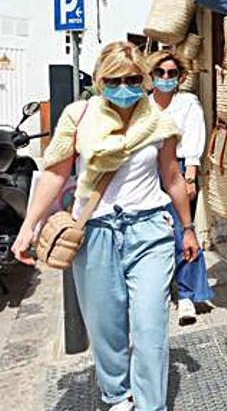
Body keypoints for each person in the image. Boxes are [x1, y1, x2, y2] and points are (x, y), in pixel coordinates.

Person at [11, 41, 198, 411]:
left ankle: (150, 405)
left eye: (132, 79)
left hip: (149, 231)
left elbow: (173, 178)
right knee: (105, 326)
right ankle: (117, 395)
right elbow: (54, 173)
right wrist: (28, 227)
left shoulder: (160, 124)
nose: (124, 87)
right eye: (114, 79)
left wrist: (187, 228)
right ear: (99, 80)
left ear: (143, 80)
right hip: (95, 231)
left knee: (150, 327)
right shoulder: (78, 117)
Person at [148, 51, 214, 325]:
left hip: (180, 167)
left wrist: (190, 177)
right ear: (150, 76)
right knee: (154, 231)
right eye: (160, 72)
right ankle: (160, 290)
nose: (165, 78)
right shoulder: (142, 105)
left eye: (171, 73)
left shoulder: (187, 103)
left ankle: (187, 296)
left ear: (180, 77)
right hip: (147, 169)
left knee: (183, 231)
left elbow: (195, 138)